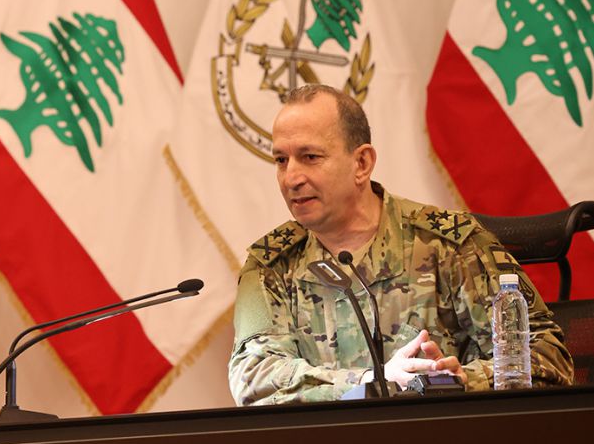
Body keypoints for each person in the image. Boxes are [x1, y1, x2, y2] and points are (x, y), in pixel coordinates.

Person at [228, 84, 573, 405]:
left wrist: (459, 381)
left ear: (361, 163)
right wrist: (370, 382)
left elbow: (548, 356)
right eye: (281, 160)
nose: (291, 178)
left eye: (310, 157)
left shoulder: (449, 246)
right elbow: (253, 378)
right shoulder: (271, 266)